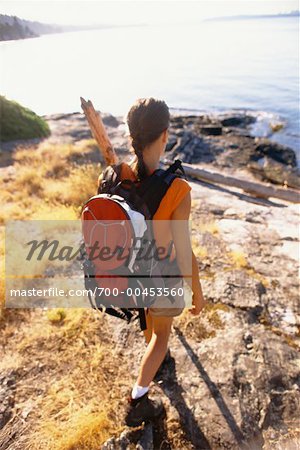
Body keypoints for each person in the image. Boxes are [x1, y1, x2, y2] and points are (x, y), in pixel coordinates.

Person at [122, 98, 206, 426]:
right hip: (160, 275)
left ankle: (156, 363)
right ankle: (137, 399)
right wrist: (196, 291)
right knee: (161, 338)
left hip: (128, 271)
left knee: (149, 321)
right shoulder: (178, 189)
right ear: (165, 135)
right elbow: (184, 252)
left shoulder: (117, 172)